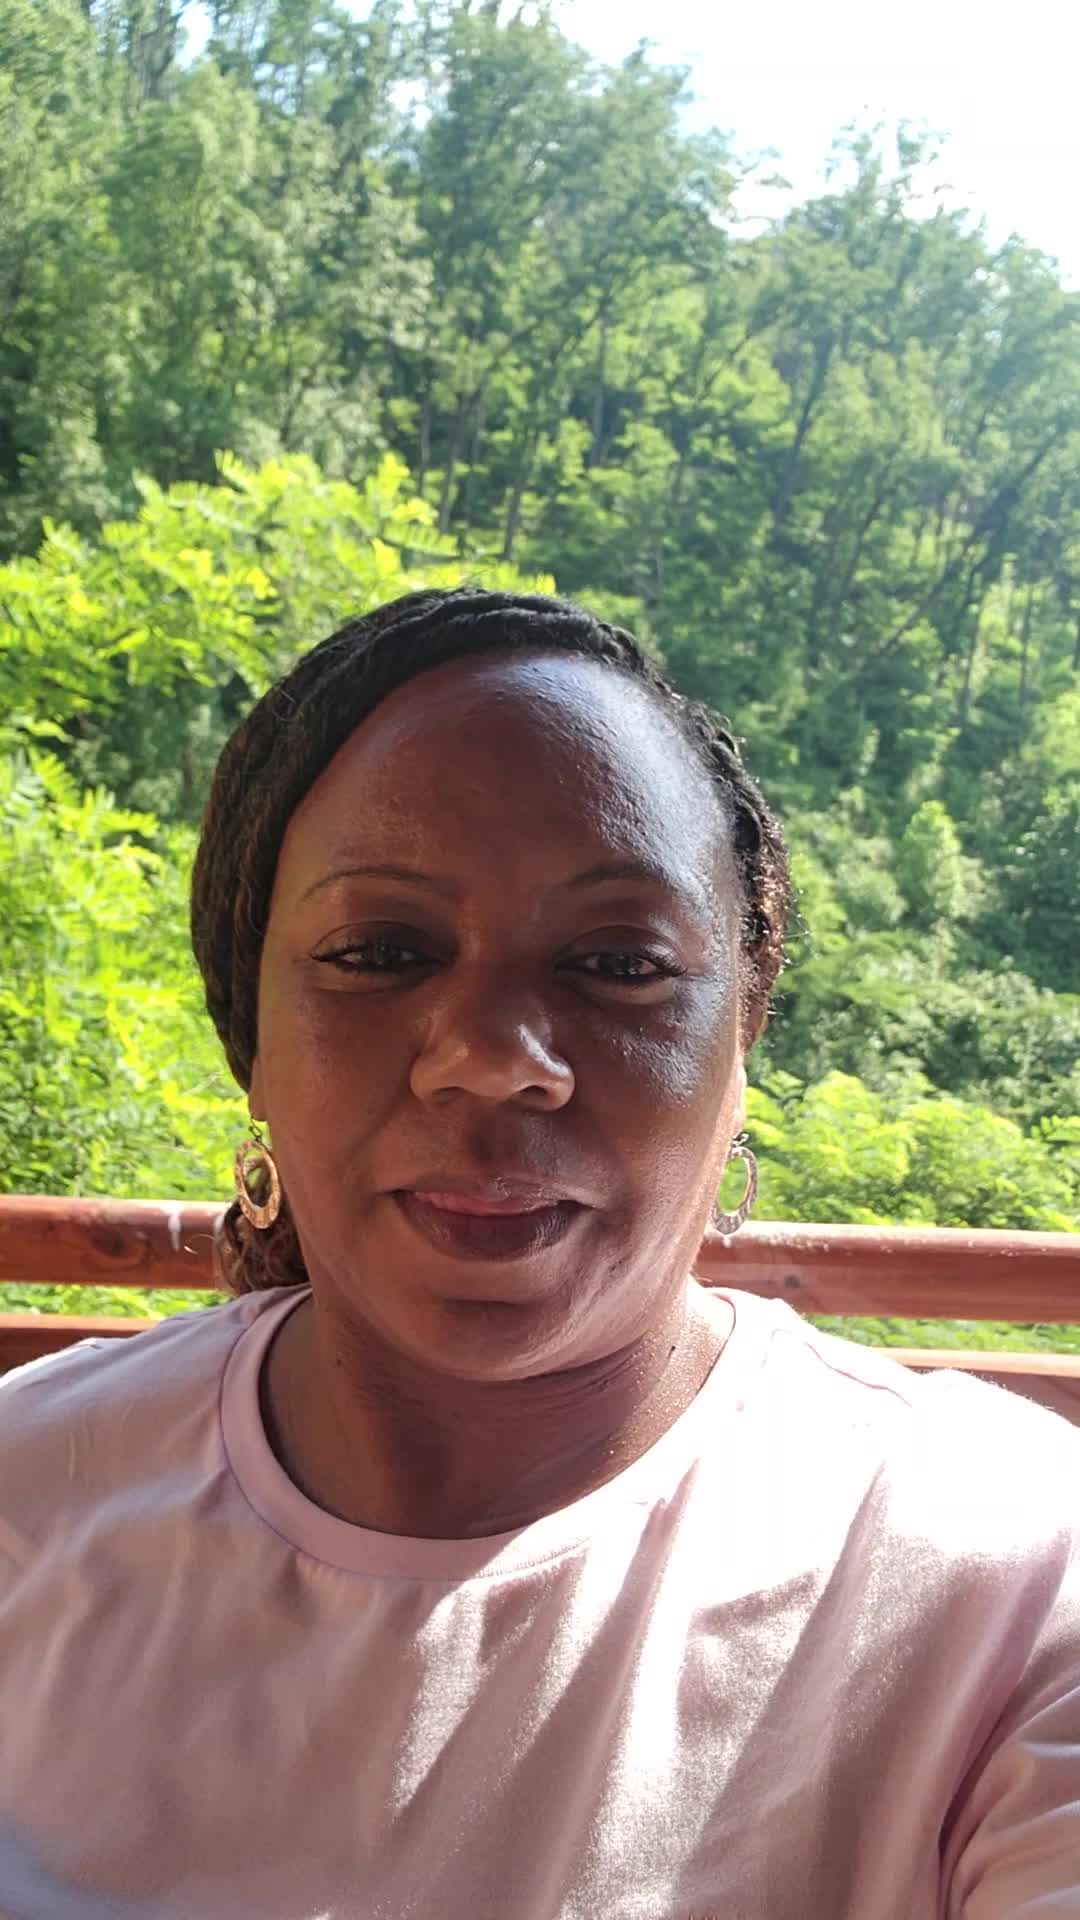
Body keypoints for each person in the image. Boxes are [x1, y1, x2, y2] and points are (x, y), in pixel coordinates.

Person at [1, 587, 1078, 1919]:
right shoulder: (29, 1493)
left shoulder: (1008, 1572)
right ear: (252, 1042)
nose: (493, 1058)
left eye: (618, 964)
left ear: (742, 1042)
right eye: (380, 952)